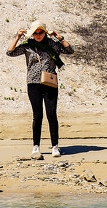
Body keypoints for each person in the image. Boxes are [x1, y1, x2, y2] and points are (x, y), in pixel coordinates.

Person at [7, 19, 74, 157]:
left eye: (41, 32)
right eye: (36, 33)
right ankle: (36, 146)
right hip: (33, 83)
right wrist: (18, 37)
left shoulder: (52, 45)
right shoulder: (27, 46)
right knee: (37, 116)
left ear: (45, 33)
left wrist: (59, 37)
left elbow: (69, 50)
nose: (38, 35)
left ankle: (55, 146)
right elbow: (10, 52)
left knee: (51, 114)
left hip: (50, 82)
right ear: (32, 34)